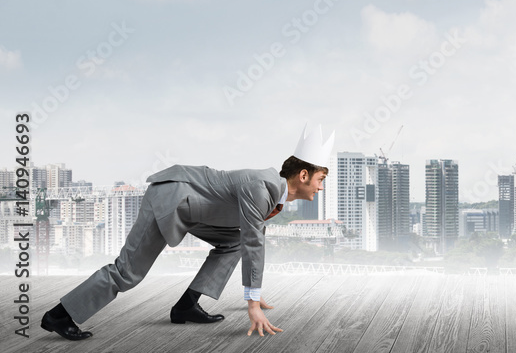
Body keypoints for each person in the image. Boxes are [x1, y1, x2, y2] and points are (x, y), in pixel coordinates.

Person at [41, 124, 335, 340]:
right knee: (128, 272)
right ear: (304, 175)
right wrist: (253, 303)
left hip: (198, 209)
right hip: (171, 199)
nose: (321, 187)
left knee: (231, 243)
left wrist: (255, 293)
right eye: (320, 179)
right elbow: (253, 241)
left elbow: (250, 239)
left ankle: (186, 306)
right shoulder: (261, 186)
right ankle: (59, 315)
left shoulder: (273, 194)